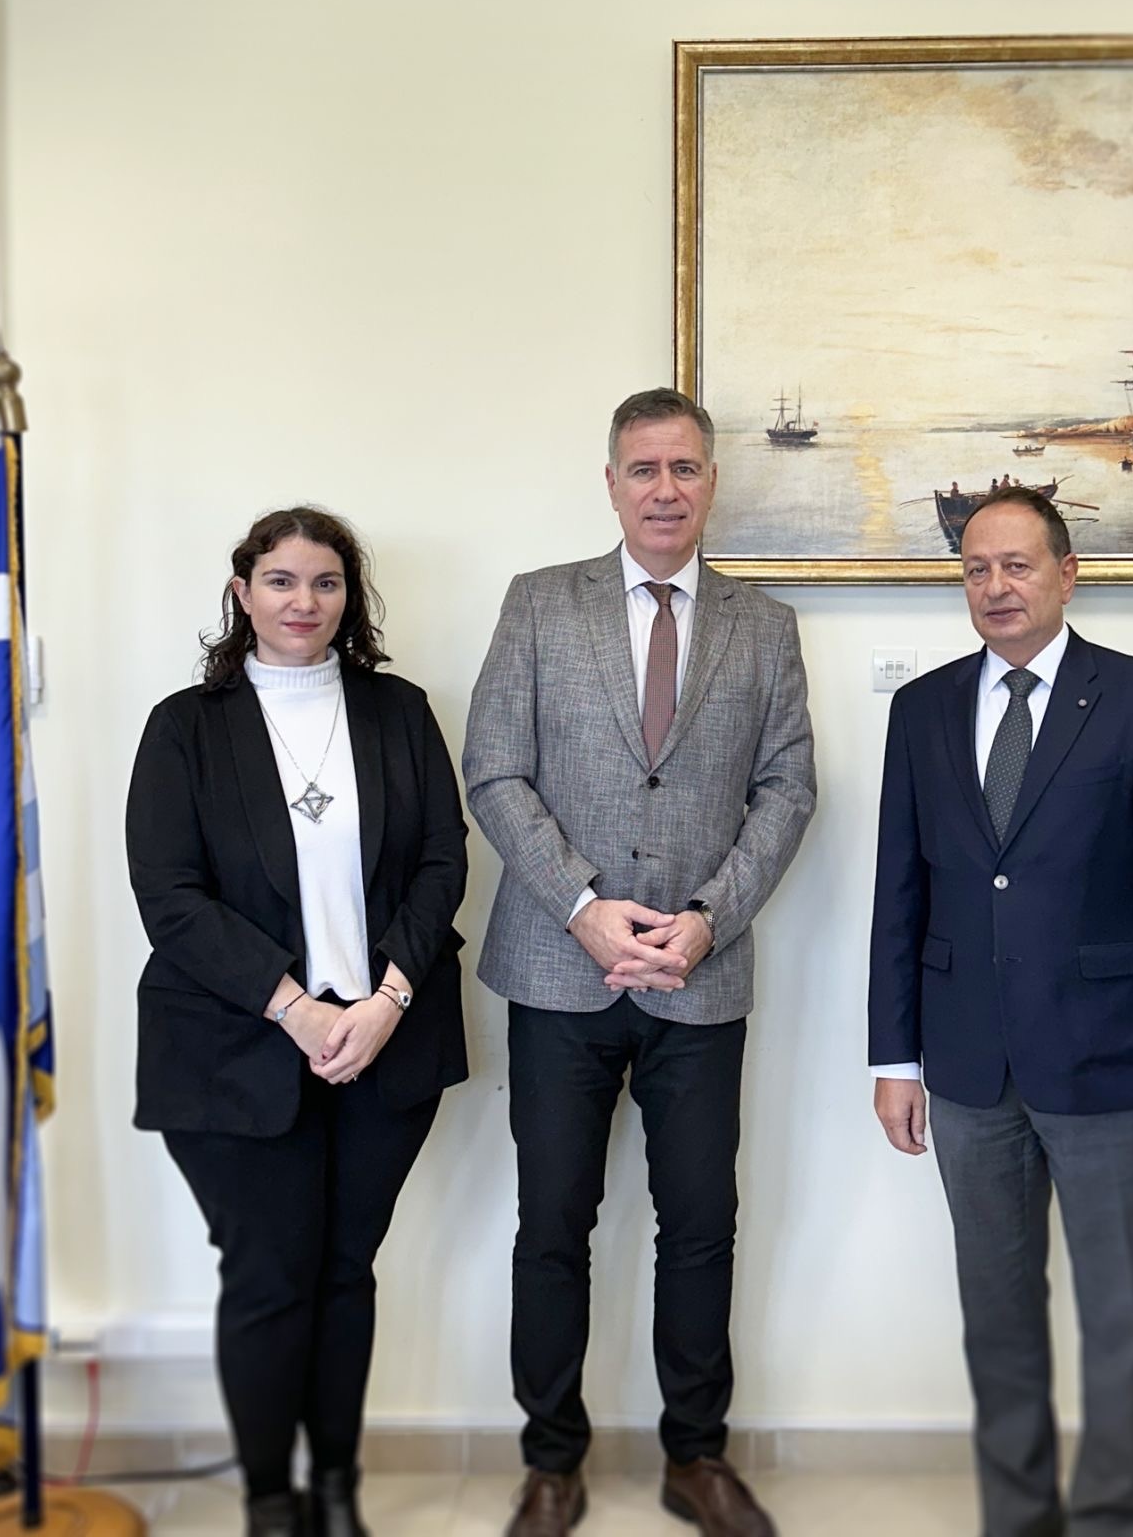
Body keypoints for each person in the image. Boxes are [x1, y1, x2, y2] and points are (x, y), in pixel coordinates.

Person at [463, 388, 816, 1537]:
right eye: (644, 469)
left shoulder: (765, 626)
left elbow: (787, 788)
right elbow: (494, 770)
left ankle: (695, 1457)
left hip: (700, 976)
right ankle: (550, 1462)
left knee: (701, 1224)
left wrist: (709, 918)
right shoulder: (539, 604)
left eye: (685, 468)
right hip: (558, 972)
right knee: (552, 1224)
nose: (665, 489)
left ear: (711, 481)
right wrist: (579, 907)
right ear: (611, 483)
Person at [868, 486, 1133, 1537]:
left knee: (1119, 1321)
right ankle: (1017, 1519)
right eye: (975, 568)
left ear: (1068, 574)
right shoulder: (921, 709)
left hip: (1110, 1069)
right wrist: (893, 1058)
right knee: (997, 1320)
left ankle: (1115, 1520)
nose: (995, 587)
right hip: (966, 1071)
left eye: (1016, 565)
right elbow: (898, 892)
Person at [126, 508, 469, 1537]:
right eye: (280, 580)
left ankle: (336, 1493)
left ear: (348, 597)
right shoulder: (185, 727)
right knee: (270, 1279)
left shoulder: (399, 711)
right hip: (234, 1049)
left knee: (345, 1274)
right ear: (242, 593)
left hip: (384, 1041)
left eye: (325, 582)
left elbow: (442, 860)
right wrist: (295, 1009)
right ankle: (273, 1504)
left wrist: (384, 1001)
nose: (303, 601)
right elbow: (169, 897)